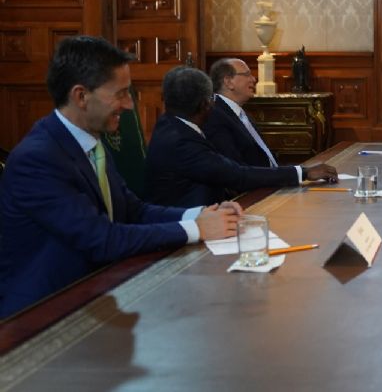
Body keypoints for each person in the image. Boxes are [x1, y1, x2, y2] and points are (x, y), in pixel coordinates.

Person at [0, 36, 240, 318]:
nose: (129, 105)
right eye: (121, 93)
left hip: (99, 295)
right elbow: (102, 240)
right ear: (80, 96)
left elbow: (133, 210)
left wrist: (199, 214)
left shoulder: (90, 140)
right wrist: (198, 229)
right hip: (42, 316)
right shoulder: (38, 158)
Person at [145, 67, 338, 208]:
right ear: (206, 104)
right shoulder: (182, 142)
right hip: (189, 226)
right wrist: (303, 172)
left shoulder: (168, 124)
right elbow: (238, 175)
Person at [204, 58, 276, 168]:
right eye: (247, 75)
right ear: (228, 82)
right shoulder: (215, 116)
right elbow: (235, 169)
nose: (253, 79)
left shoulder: (242, 114)